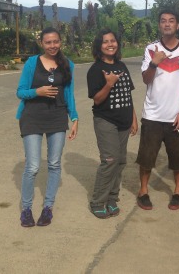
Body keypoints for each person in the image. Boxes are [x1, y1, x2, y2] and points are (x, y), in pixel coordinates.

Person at [16, 27, 79, 227]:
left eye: (55, 42)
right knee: (33, 166)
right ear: (42, 44)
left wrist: (74, 117)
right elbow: (20, 92)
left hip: (57, 118)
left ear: (60, 42)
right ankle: (26, 209)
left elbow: (69, 93)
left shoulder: (67, 64)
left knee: (54, 164)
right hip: (32, 117)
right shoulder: (32, 63)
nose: (52, 46)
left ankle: (48, 207)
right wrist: (38, 91)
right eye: (48, 42)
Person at [135, 8, 179, 211]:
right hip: (152, 115)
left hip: (176, 117)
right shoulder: (151, 49)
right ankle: (143, 191)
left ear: (177, 25)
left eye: (171, 20)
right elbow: (146, 79)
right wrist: (154, 63)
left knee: (178, 159)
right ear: (159, 25)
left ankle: (177, 191)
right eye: (163, 21)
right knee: (146, 158)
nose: (167, 24)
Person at [87, 29, 138, 219]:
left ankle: (112, 198)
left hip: (124, 121)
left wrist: (133, 118)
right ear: (99, 46)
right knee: (110, 160)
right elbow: (97, 99)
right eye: (105, 41)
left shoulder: (121, 65)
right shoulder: (95, 69)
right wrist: (108, 84)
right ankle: (98, 201)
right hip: (106, 121)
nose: (110, 44)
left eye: (113, 40)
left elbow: (127, 94)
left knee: (121, 161)